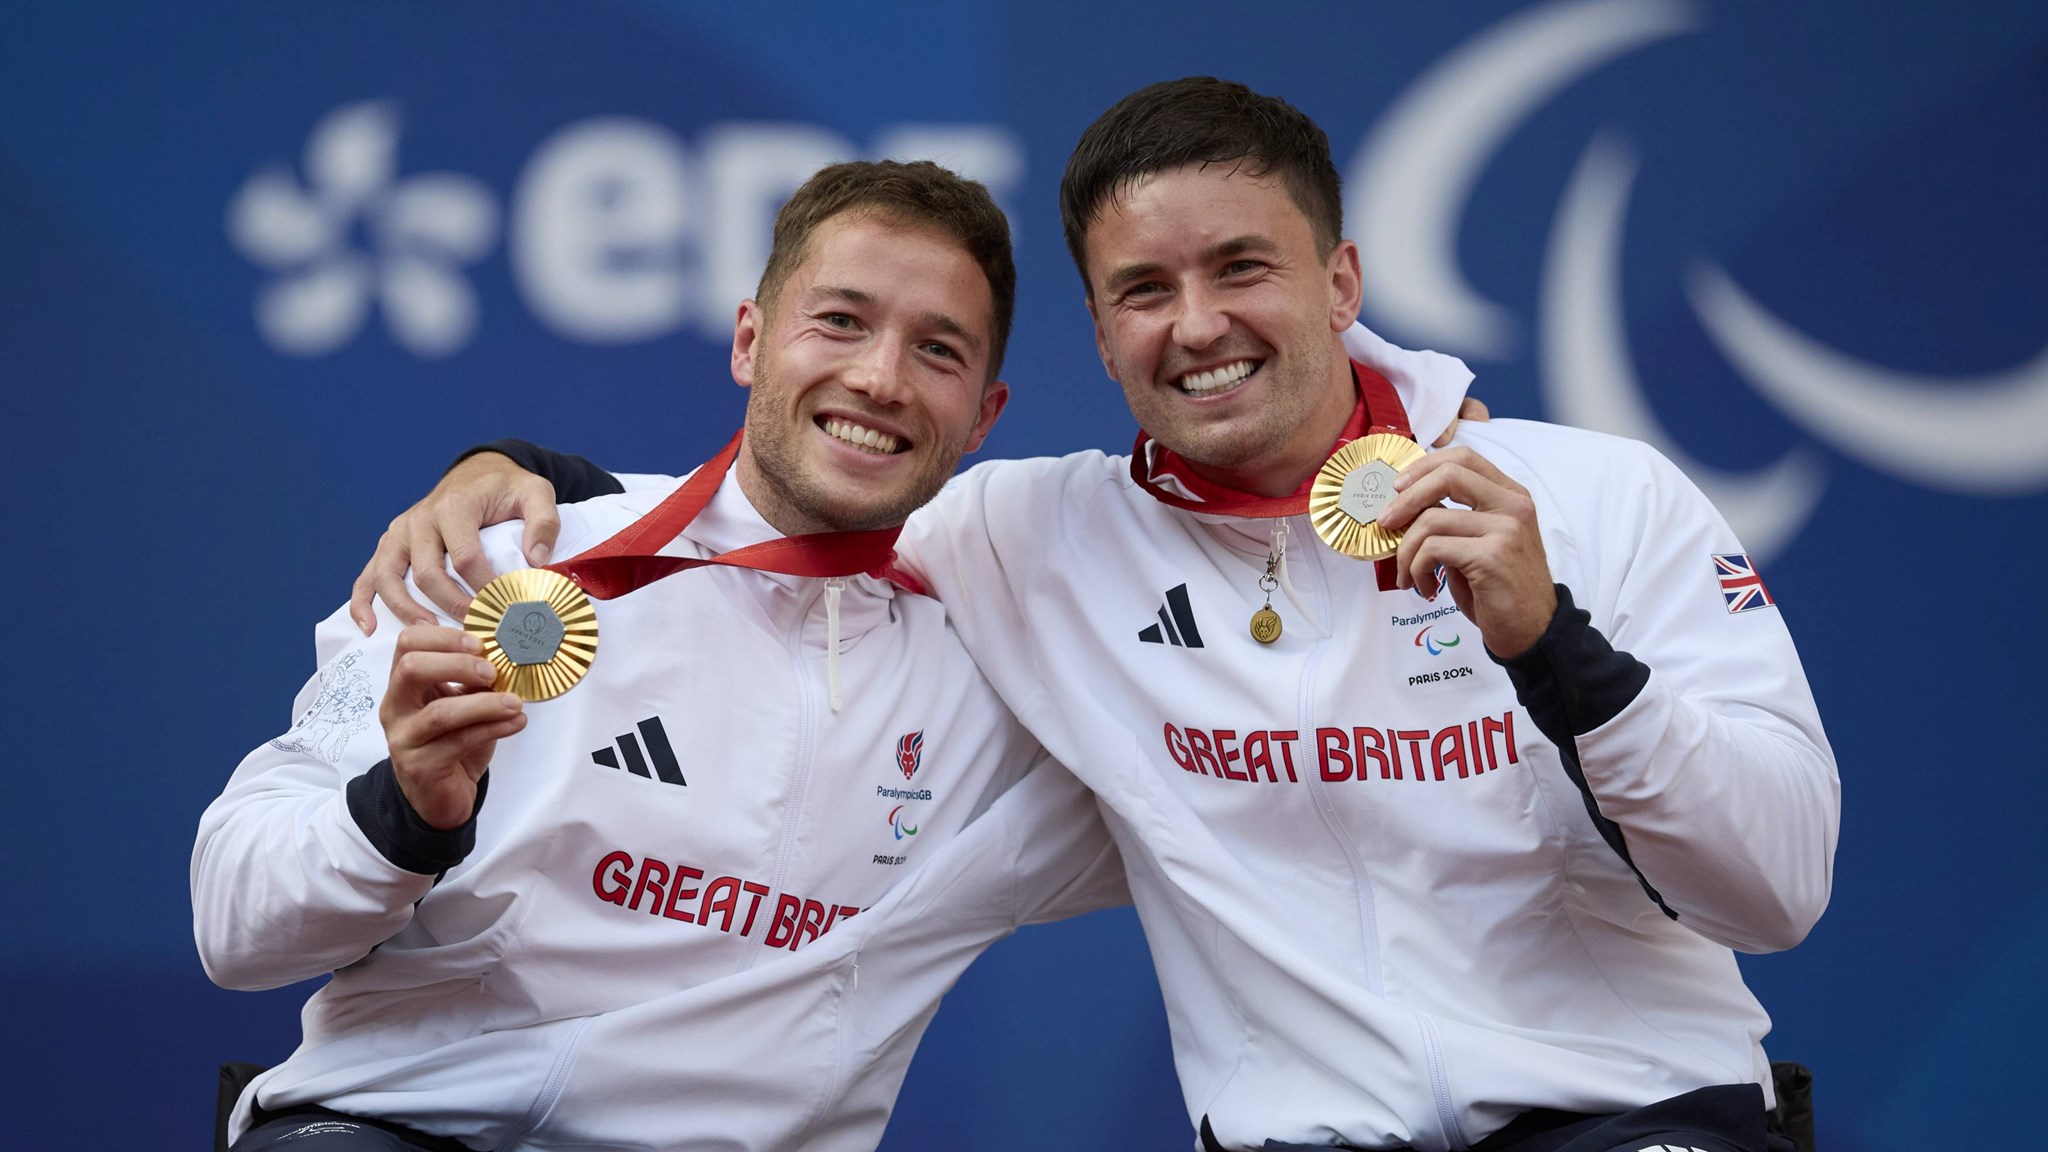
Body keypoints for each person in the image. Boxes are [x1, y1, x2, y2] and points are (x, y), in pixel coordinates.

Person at [364, 79, 1837, 1152]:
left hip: (1638, 1116)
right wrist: (513, 478)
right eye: (1144, 289)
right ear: (1099, 335)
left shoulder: (1598, 498)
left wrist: (1557, 649)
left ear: (1341, 282)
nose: (1195, 324)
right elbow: (787, 492)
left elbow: (1775, 890)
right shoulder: (1037, 531)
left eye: (1242, 268)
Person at [193, 160, 1145, 1152]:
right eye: (840, 322)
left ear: (983, 417)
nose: (878, 378)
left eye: (936, 349)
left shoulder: (995, 670)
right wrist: (401, 816)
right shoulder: (504, 558)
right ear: (750, 340)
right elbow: (234, 926)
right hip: (407, 1130)